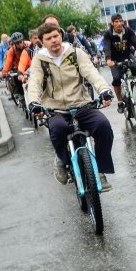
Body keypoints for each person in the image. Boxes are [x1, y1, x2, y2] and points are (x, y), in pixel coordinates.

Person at [28, 16, 116, 191]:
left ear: (60, 35)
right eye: (48, 38)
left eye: (55, 36)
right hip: (55, 108)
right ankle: (62, 160)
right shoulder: (39, 60)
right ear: (42, 42)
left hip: (81, 103)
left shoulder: (76, 53)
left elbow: (92, 74)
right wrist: (34, 103)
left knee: (103, 126)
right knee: (58, 130)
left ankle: (99, 171)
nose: (54, 40)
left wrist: (104, 90)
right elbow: (35, 83)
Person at [102, 14, 136, 113]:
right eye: (116, 22)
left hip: (127, 55)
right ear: (112, 23)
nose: (119, 24)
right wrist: (108, 59)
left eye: (120, 21)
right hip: (114, 59)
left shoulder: (128, 31)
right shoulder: (108, 34)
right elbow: (107, 47)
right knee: (117, 78)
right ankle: (120, 102)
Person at [1, 32, 27, 100]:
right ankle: (21, 94)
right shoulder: (12, 50)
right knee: (16, 77)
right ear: (14, 44)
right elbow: (8, 61)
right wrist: (4, 71)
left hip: (28, 66)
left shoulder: (28, 45)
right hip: (17, 67)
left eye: (21, 42)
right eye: (17, 43)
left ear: (23, 40)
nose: (20, 44)